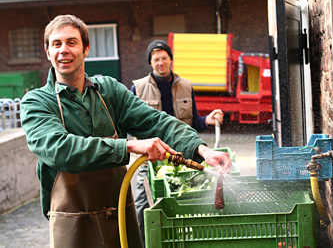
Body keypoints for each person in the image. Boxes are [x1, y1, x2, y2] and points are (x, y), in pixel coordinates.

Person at [20, 15, 231, 248]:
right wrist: (128, 146)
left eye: (72, 42)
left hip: (119, 215)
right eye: (56, 44)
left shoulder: (109, 91)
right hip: (72, 224)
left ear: (86, 49)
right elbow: (60, 150)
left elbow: (156, 121)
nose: (64, 50)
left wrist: (201, 150)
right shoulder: (36, 102)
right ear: (48, 52)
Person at [130, 39, 224, 245]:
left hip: (181, 156)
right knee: (142, 204)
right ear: (150, 63)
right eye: (156, 59)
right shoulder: (137, 88)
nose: (160, 62)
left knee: (186, 202)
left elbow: (193, 121)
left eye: (164, 58)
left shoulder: (186, 85)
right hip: (151, 159)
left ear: (171, 59)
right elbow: (129, 123)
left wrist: (207, 120)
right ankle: (144, 242)